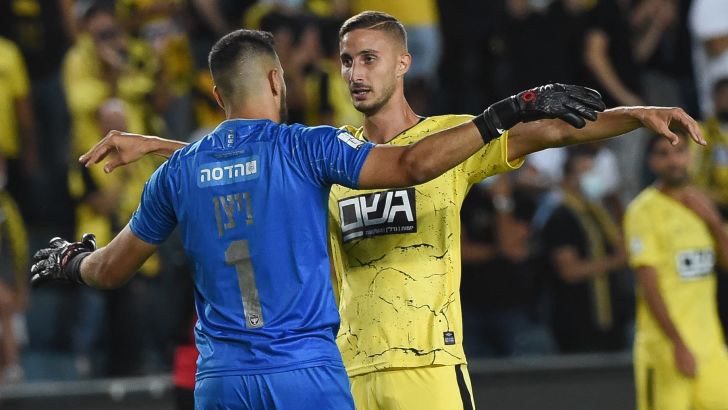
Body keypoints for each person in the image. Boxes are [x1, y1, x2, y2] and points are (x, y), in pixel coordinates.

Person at [79, 12, 705, 409]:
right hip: (348, 369)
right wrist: (158, 147)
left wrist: (636, 116)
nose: (354, 72)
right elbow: (252, 158)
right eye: (346, 60)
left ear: (404, 63)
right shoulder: (333, 154)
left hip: (427, 368)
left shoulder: (451, 139)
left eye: (369, 58)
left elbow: (552, 131)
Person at [624, 134, 728, 410]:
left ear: (690, 156)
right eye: (663, 154)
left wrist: (714, 223)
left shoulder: (702, 204)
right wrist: (678, 345)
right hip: (665, 348)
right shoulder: (643, 211)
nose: (674, 160)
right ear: (651, 162)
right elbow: (649, 286)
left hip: (710, 346)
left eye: (679, 151)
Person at [540, 146, 632, 353]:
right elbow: (569, 271)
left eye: (593, 172)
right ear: (567, 180)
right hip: (577, 323)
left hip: (611, 320)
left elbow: (620, 242)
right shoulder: (560, 217)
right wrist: (617, 261)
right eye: (585, 172)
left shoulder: (597, 212)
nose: (592, 179)